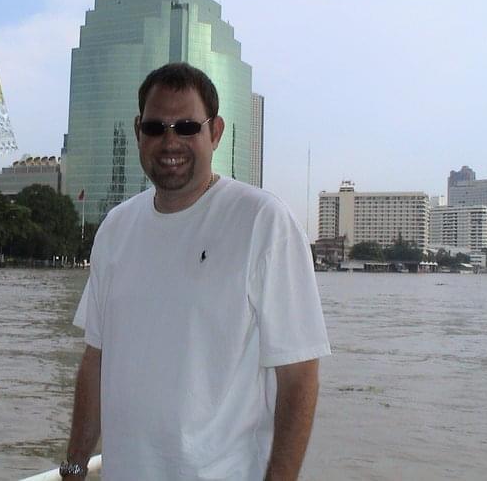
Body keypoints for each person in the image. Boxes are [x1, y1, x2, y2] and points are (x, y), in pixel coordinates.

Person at [61, 63, 331, 480]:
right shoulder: (116, 228)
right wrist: (75, 465)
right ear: (138, 132)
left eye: (187, 126)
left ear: (215, 132)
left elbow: (299, 378)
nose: (170, 141)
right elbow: (96, 361)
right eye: (155, 127)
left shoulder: (263, 221)